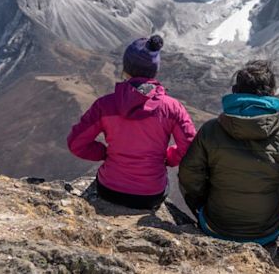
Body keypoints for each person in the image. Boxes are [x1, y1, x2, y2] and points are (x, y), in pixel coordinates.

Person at [178, 60, 279, 244]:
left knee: (186, 177)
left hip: (216, 226)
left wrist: (209, 195)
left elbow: (188, 176)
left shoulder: (210, 130)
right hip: (266, 232)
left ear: (235, 91)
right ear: (272, 93)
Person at [67, 35, 196, 210]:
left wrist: (105, 153)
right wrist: (167, 158)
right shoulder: (172, 107)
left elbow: (76, 143)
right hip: (151, 194)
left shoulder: (104, 105)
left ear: (126, 69)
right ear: (154, 71)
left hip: (109, 189)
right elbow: (189, 145)